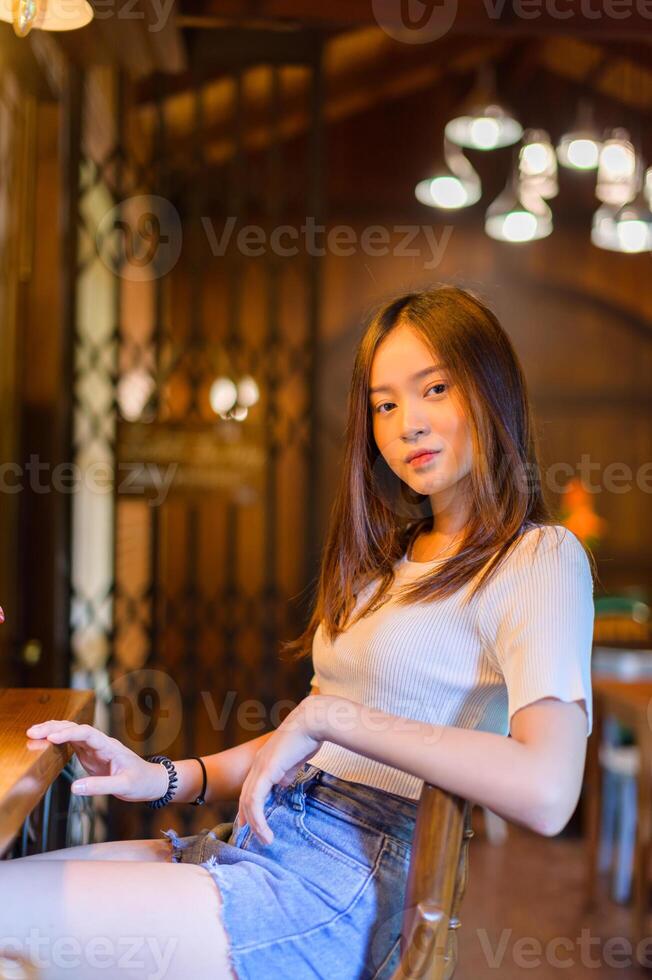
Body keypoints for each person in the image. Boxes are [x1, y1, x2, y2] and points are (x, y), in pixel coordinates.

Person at [4, 284, 595, 980]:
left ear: (491, 389)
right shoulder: (388, 559)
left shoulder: (538, 558)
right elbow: (303, 744)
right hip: (268, 835)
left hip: (342, 882)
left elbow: (548, 791)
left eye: (435, 387)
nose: (408, 422)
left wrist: (334, 715)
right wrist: (160, 778)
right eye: (384, 404)